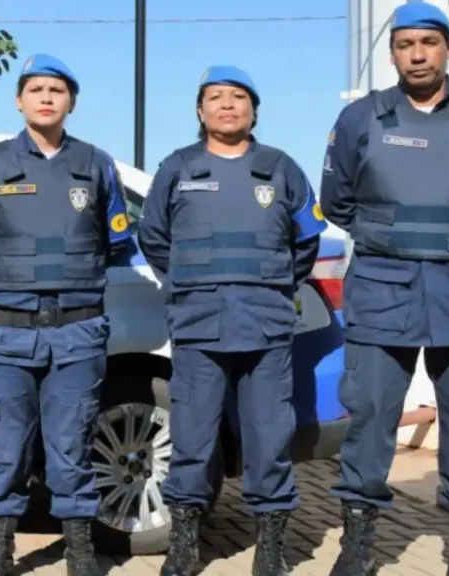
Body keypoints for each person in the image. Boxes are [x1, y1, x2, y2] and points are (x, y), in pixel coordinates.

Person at [138, 66, 327, 576]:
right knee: (193, 438)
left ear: (253, 110)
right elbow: (153, 238)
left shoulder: (281, 168)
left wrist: (272, 287)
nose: (227, 105)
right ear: (200, 112)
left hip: (266, 328)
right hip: (199, 328)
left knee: (269, 438)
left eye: (238, 97)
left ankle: (270, 547)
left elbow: (305, 243)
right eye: (216, 98)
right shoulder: (177, 168)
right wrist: (187, 285)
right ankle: (184, 542)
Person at [0, 54, 130, 576]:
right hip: (7, 332)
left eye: (56, 89)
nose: (46, 97)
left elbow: (115, 239)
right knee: (7, 447)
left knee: (72, 446)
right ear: (19, 100)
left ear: (70, 101)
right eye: (36, 89)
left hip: (76, 330)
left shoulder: (96, 164)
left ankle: (79, 550)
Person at [321, 4, 449, 575]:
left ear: (447, 48)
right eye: (404, 44)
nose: (417, 54)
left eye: (428, 42)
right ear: (392, 51)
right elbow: (339, 200)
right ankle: (358, 545)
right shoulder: (360, 119)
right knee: (371, 417)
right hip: (382, 290)